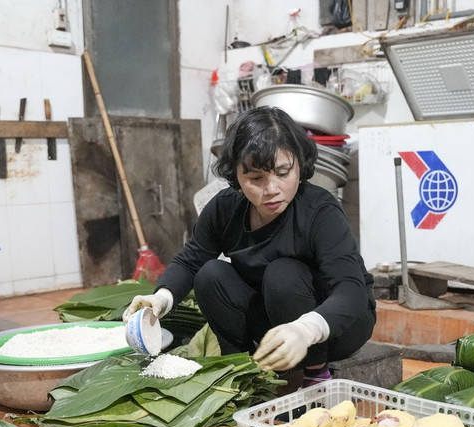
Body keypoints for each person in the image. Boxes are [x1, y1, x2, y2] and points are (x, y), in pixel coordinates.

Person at [123, 105, 376, 386]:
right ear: (236, 175)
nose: (272, 189)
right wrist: (161, 299)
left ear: (299, 165)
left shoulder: (319, 211)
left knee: (283, 273)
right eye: (256, 178)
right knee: (210, 274)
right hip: (275, 321)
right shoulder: (225, 208)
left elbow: (351, 290)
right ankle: (242, 368)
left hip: (335, 326)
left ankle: (316, 373)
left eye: (283, 173)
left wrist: (307, 329)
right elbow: (190, 261)